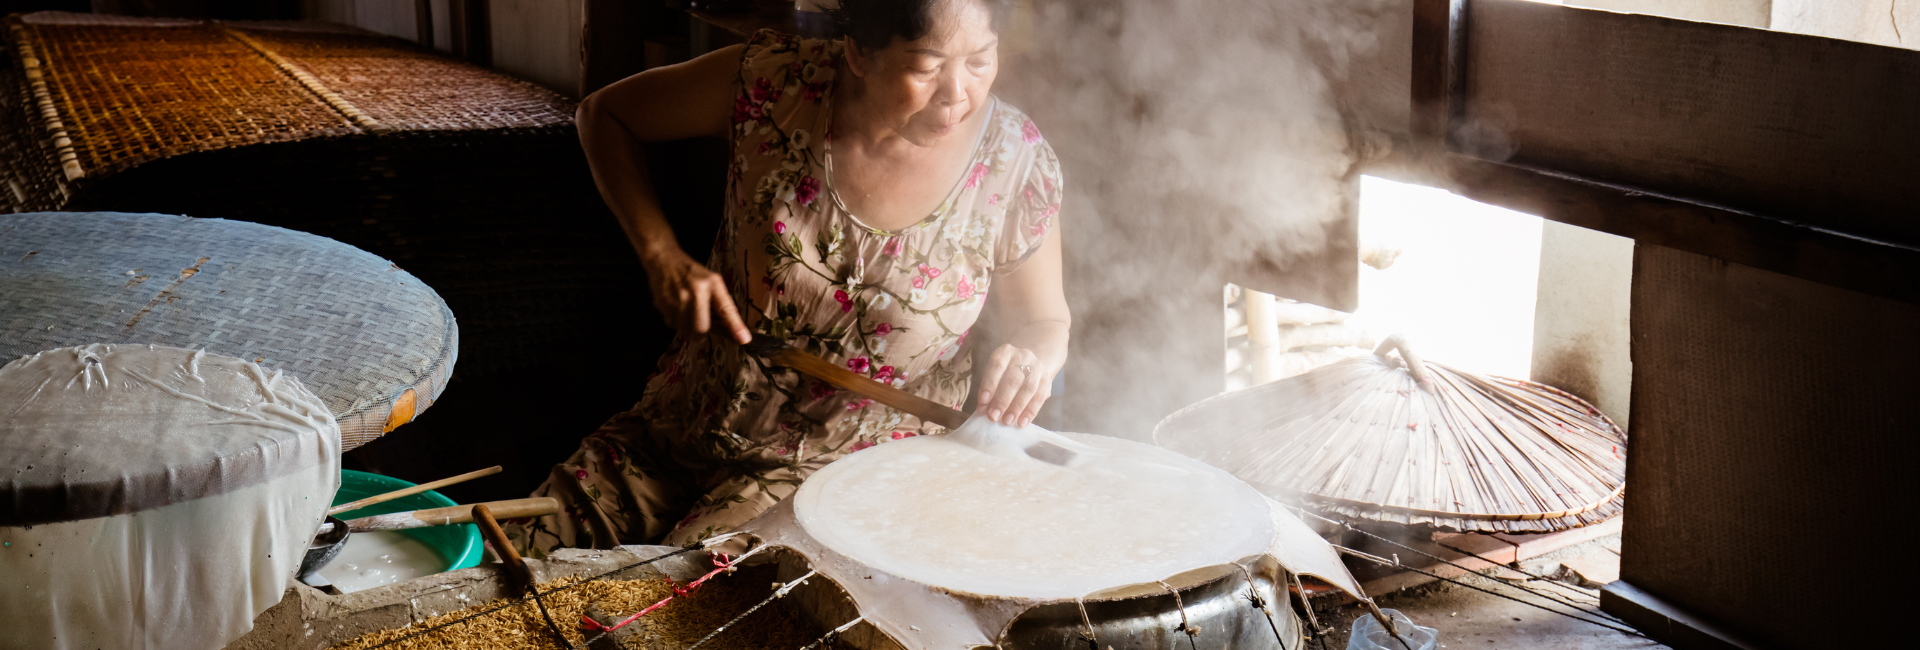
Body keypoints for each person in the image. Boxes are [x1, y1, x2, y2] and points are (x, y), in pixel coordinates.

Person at [508, 0, 1068, 555]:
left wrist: (1032, 361)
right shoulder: (777, 84)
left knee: (660, 607)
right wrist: (661, 254)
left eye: (979, 60)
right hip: (676, 425)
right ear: (858, 52)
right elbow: (603, 115)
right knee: (503, 556)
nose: (956, 94)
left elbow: (1045, 321)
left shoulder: (1014, 164)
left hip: (834, 477)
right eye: (925, 67)